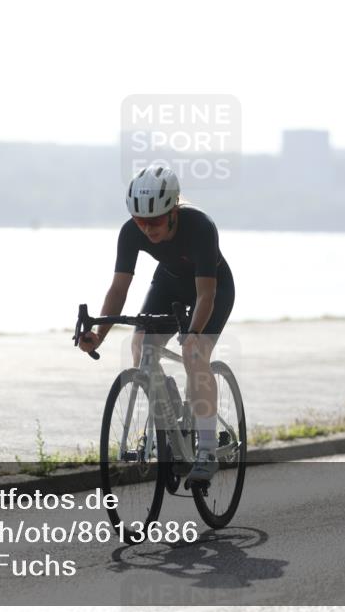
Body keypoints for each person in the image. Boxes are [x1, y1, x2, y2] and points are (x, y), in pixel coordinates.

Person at [78, 166, 235, 484]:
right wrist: (99, 335)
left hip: (213, 287)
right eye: (140, 221)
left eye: (156, 221)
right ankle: (171, 406)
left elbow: (205, 295)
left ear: (174, 210)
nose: (148, 229)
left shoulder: (200, 226)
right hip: (169, 283)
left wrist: (192, 334)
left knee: (195, 354)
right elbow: (119, 288)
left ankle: (205, 450)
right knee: (141, 346)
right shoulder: (130, 232)